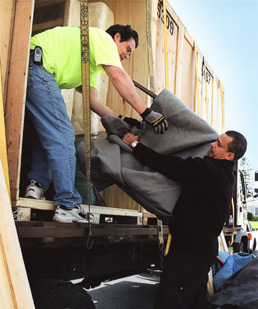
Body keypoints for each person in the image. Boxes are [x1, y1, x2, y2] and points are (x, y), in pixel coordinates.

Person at [24, 24, 168, 223]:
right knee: (64, 135)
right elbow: (118, 76)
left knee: (49, 132)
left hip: (35, 66)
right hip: (38, 65)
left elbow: (94, 102)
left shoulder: (90, 64)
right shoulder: (101, 38)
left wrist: (124, 120)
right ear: (116, 37)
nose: (127, 56)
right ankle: (67, 204)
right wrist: (147, 113)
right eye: (128, 49)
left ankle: (36, 185)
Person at [123, 130, 247, 308]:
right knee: (196, 299)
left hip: (190, 251)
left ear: (229, 155)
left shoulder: (209, 170)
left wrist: (135, 145)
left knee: (171, 300)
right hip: (200, 250)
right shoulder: (227, 176)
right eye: (215, 141)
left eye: (219, 144)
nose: (212, 144)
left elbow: (168, 165)